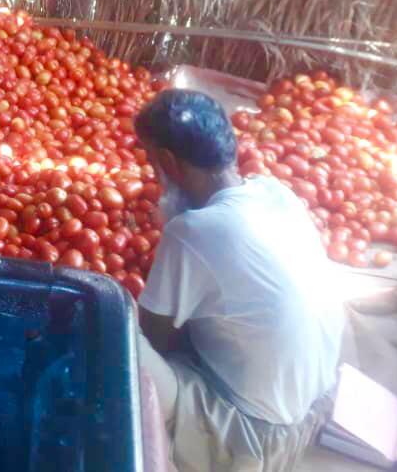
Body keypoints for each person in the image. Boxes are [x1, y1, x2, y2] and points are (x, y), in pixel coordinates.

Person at [134, 89, 344, 472]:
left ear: (168, 162)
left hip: (256, 438)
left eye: (152, 162)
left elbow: (156, 340)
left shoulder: (190, 231)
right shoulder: (274, 191)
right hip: (319, 408)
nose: (154, 173)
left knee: (122, 333)